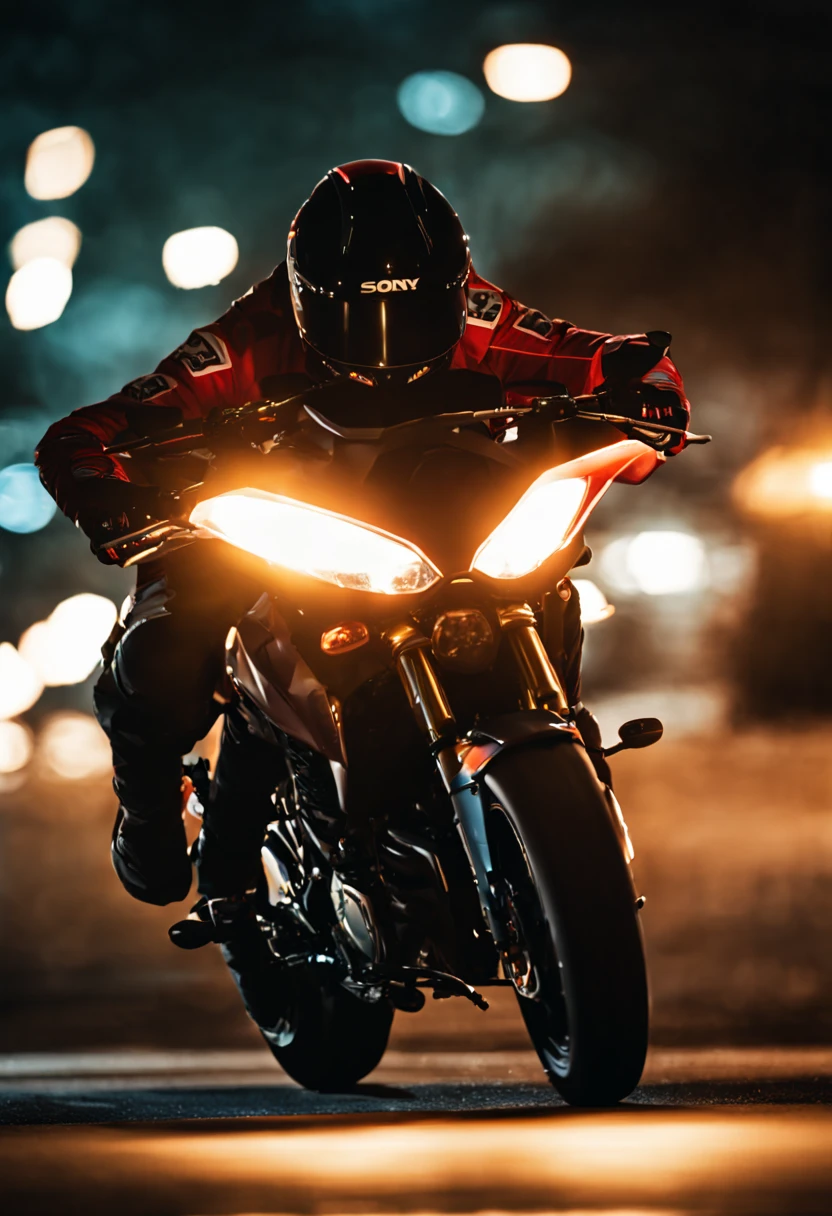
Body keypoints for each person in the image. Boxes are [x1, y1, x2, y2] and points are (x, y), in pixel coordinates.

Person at [35, 160, 690, 1018]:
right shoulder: (243, 340)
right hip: (287, 523)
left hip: (440, 523)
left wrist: (649, 400)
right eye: (354, 310)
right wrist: (114, 494)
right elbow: (83, 436)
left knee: (552, 580)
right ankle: (149, 812)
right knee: (162, 654)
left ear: (455, 287)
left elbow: (613, 360)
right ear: (304, 293)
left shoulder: (491, 317)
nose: (385, 333)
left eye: (413, 307)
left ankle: (535, 775)